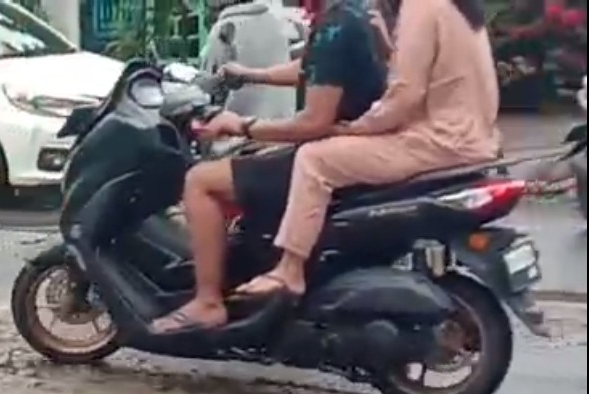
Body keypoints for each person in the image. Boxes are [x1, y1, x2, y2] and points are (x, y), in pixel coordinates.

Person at [234, 0, 500, 300]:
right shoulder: (456, 8)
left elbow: (405, 94)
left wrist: (358, 127)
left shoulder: (419, 7)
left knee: (315, 159)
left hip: (436, 141)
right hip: (470, 138)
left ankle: (289, 270)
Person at [152, 0, 387, 333]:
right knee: (249, 158)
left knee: (200, 180)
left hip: (328, 154)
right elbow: (311, 71)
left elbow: (313, 122)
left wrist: (241, 124)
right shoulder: (351, 14)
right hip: (345, 148)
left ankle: (207, 302)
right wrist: (250, 74)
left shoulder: (335, 27)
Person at [201, 0, 296, 121]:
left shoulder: (224, 27)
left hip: (243, 126)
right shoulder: (278, 22)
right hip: (284, 122)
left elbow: (208, 84)